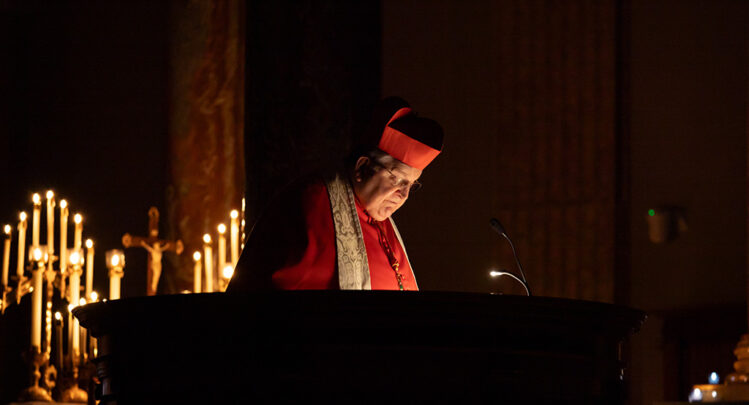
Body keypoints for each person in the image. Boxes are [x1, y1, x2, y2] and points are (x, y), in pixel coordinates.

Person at [227, 97, 443, 291]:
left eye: (411, 185)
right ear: (362, 168)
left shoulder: (382, 223)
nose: (403, 195)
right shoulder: (315, 203)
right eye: (397, 180)